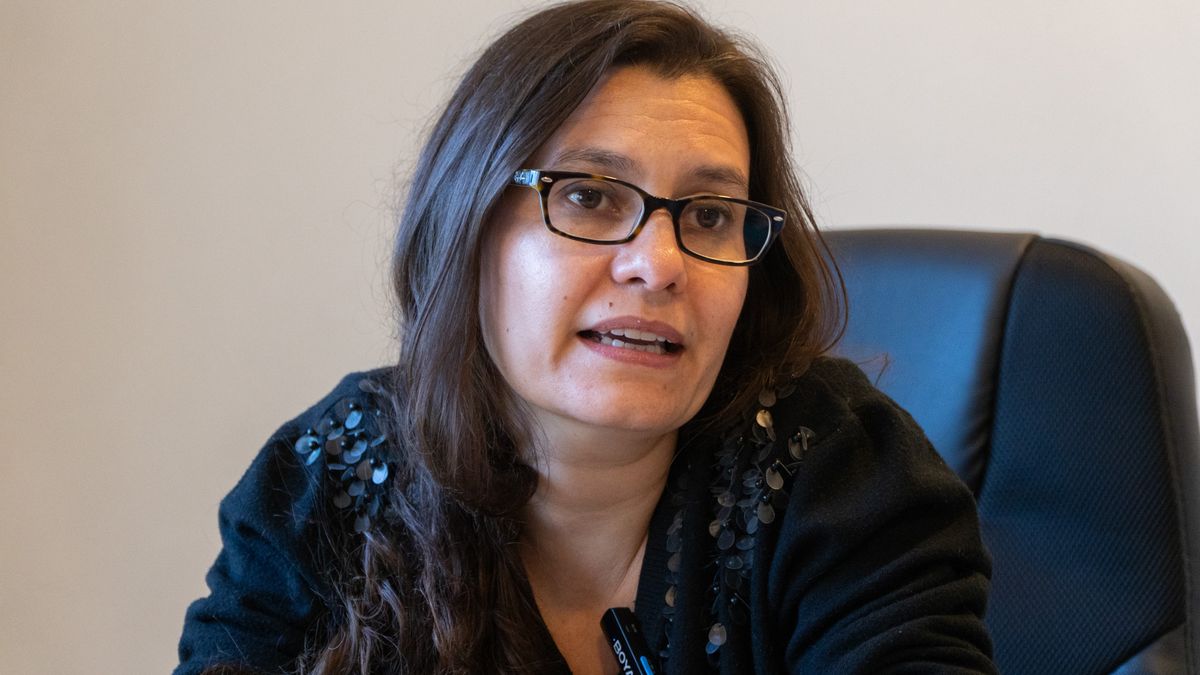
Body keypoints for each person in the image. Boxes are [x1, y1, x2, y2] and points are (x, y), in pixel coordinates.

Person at [175, 1, 996, 673]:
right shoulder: (325, 482)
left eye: (710, 215)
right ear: (468, 222)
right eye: (590, 197)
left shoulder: (840, 470)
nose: (660, 264)